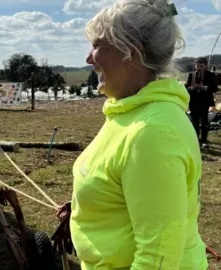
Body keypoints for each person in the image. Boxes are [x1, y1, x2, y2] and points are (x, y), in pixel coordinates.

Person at [56, 1, 209, 269]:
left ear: (131, 53)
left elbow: (157, 258)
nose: (89, 58)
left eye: (97, 45)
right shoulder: (129, 112)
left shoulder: (151, 132)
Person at [185, 57, 218, 147]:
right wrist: (192, 88)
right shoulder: (191, 75)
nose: (199, 68)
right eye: (197, 66)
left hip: (205, 101)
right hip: (193, 101)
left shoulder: (210, 75)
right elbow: (187, 88)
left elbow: (215, 88)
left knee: (204, 121)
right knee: (194, 121)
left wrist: (204, 87)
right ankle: (196, 139)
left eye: (201, 66)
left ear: (205, 66)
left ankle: (204, 140)